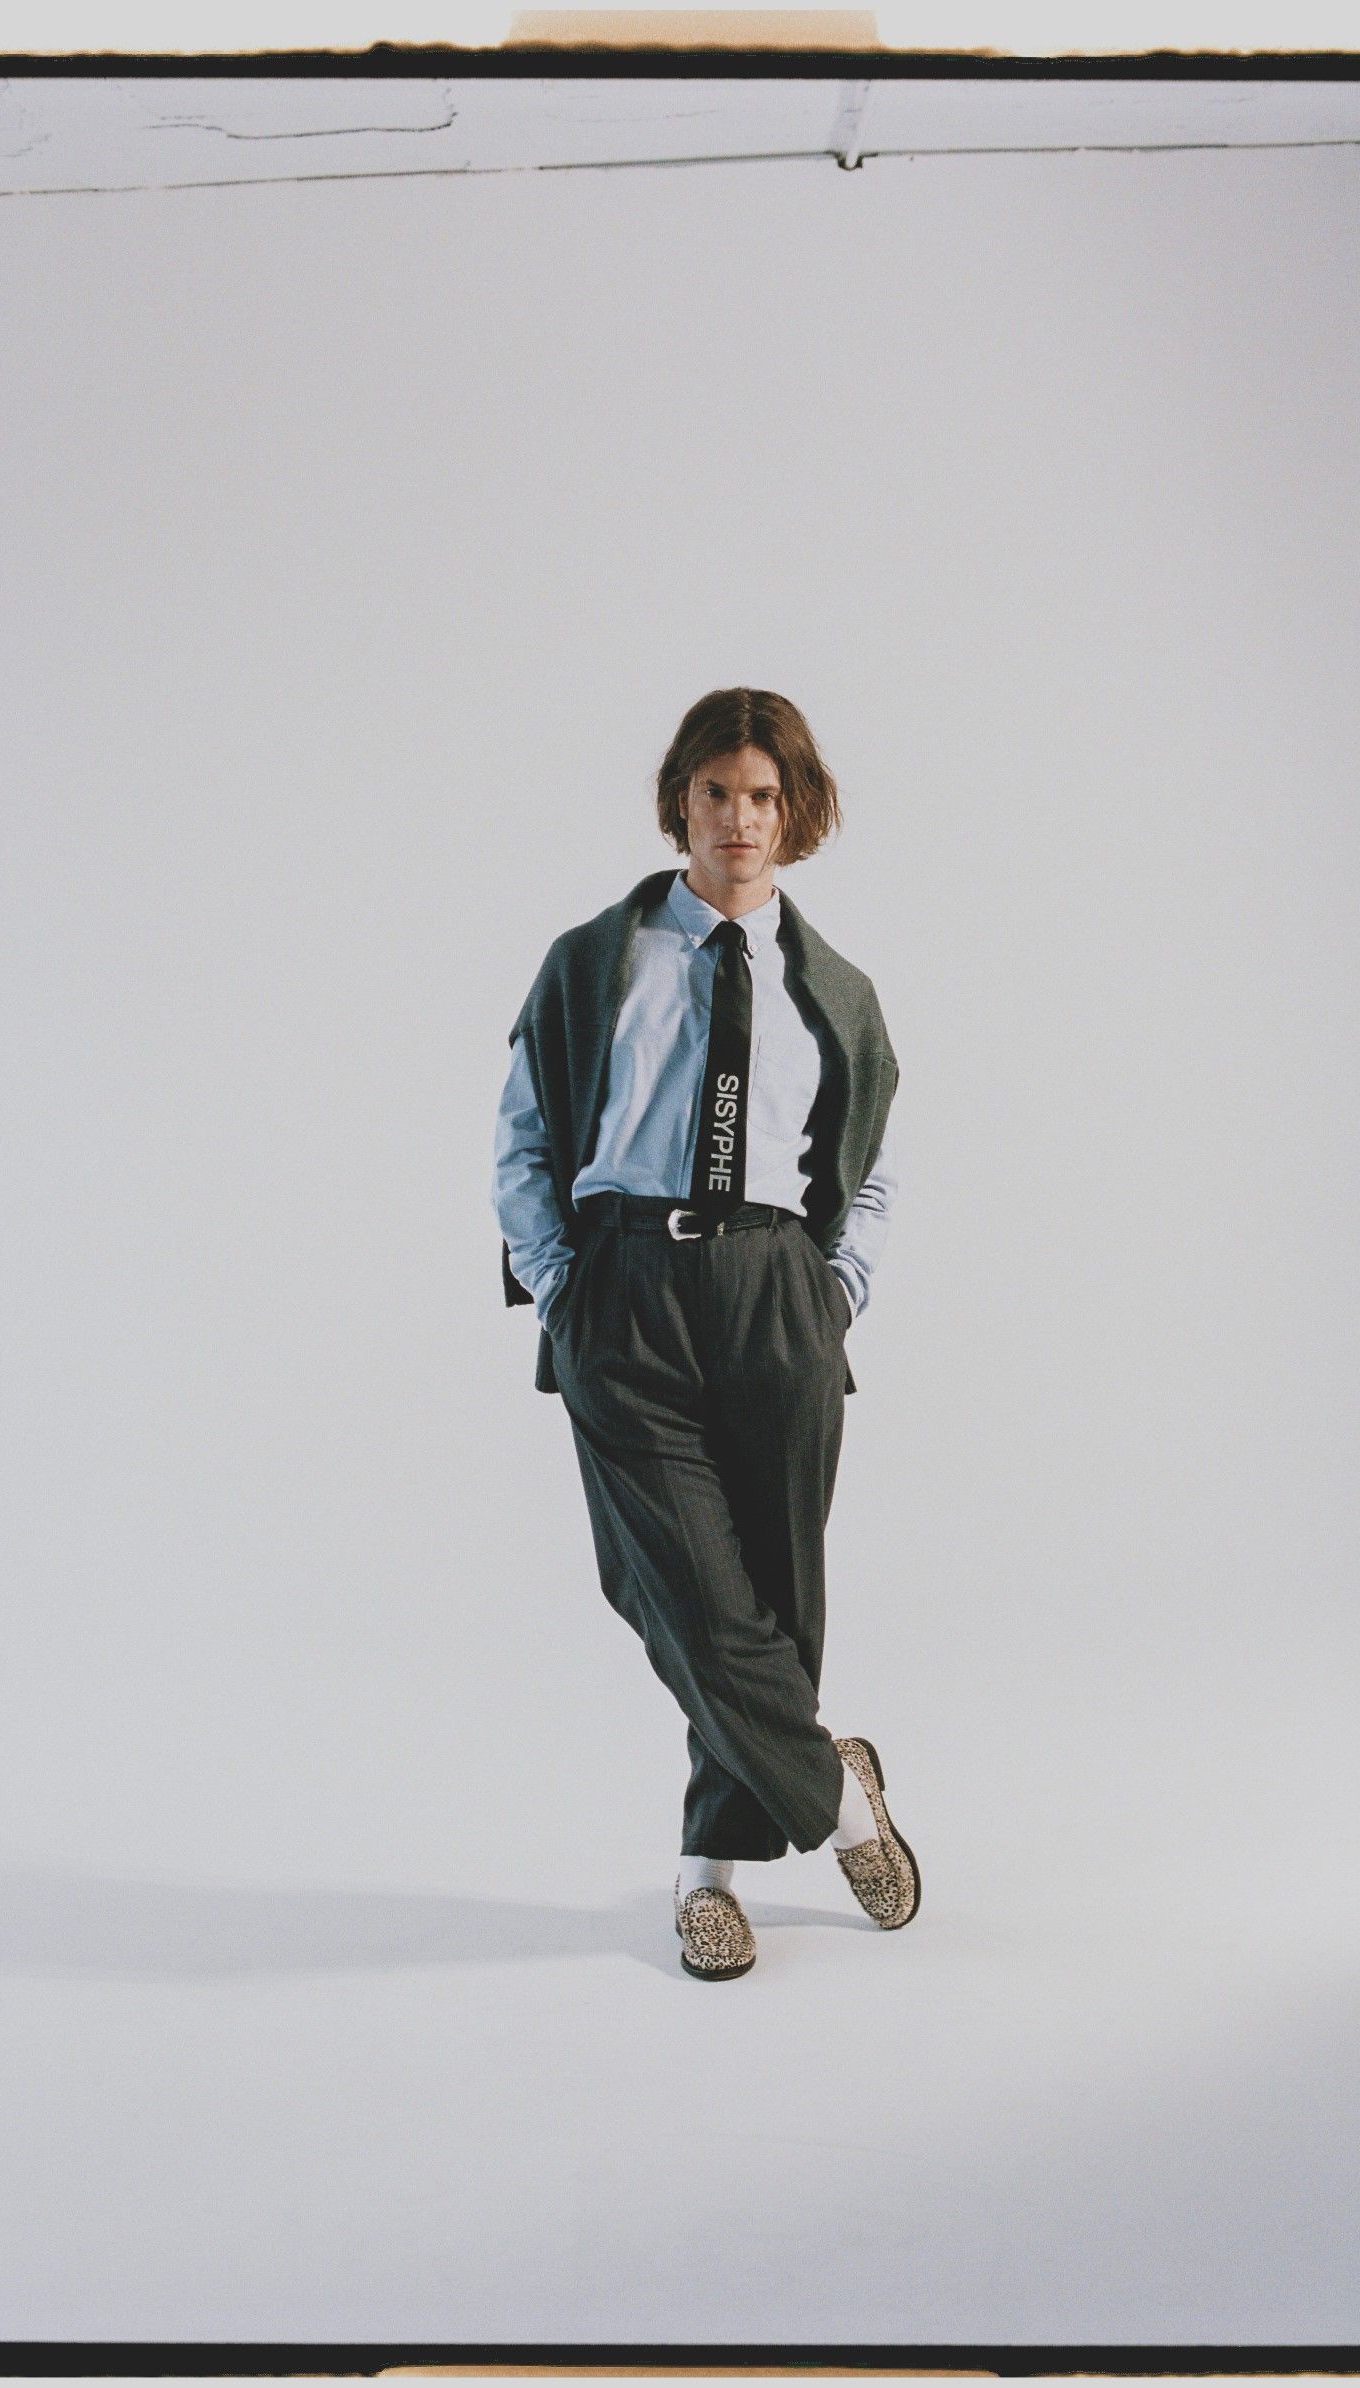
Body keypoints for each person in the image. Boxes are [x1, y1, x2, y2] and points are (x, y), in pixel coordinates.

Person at [491, 687, 919, 1982]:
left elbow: (873, 1164)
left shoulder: (835, 990)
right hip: (627, 1292)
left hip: (777, 1297)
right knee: (676, 1588)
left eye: (764, 796)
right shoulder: (594, 962)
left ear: (796, 814)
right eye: (718, 792)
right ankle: (840, 1798)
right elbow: (524, 1135)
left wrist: (834, 1294)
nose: (740, 818)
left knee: (771, 1600)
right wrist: (562, 1287)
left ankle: (705, 1877)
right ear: (681, 799)